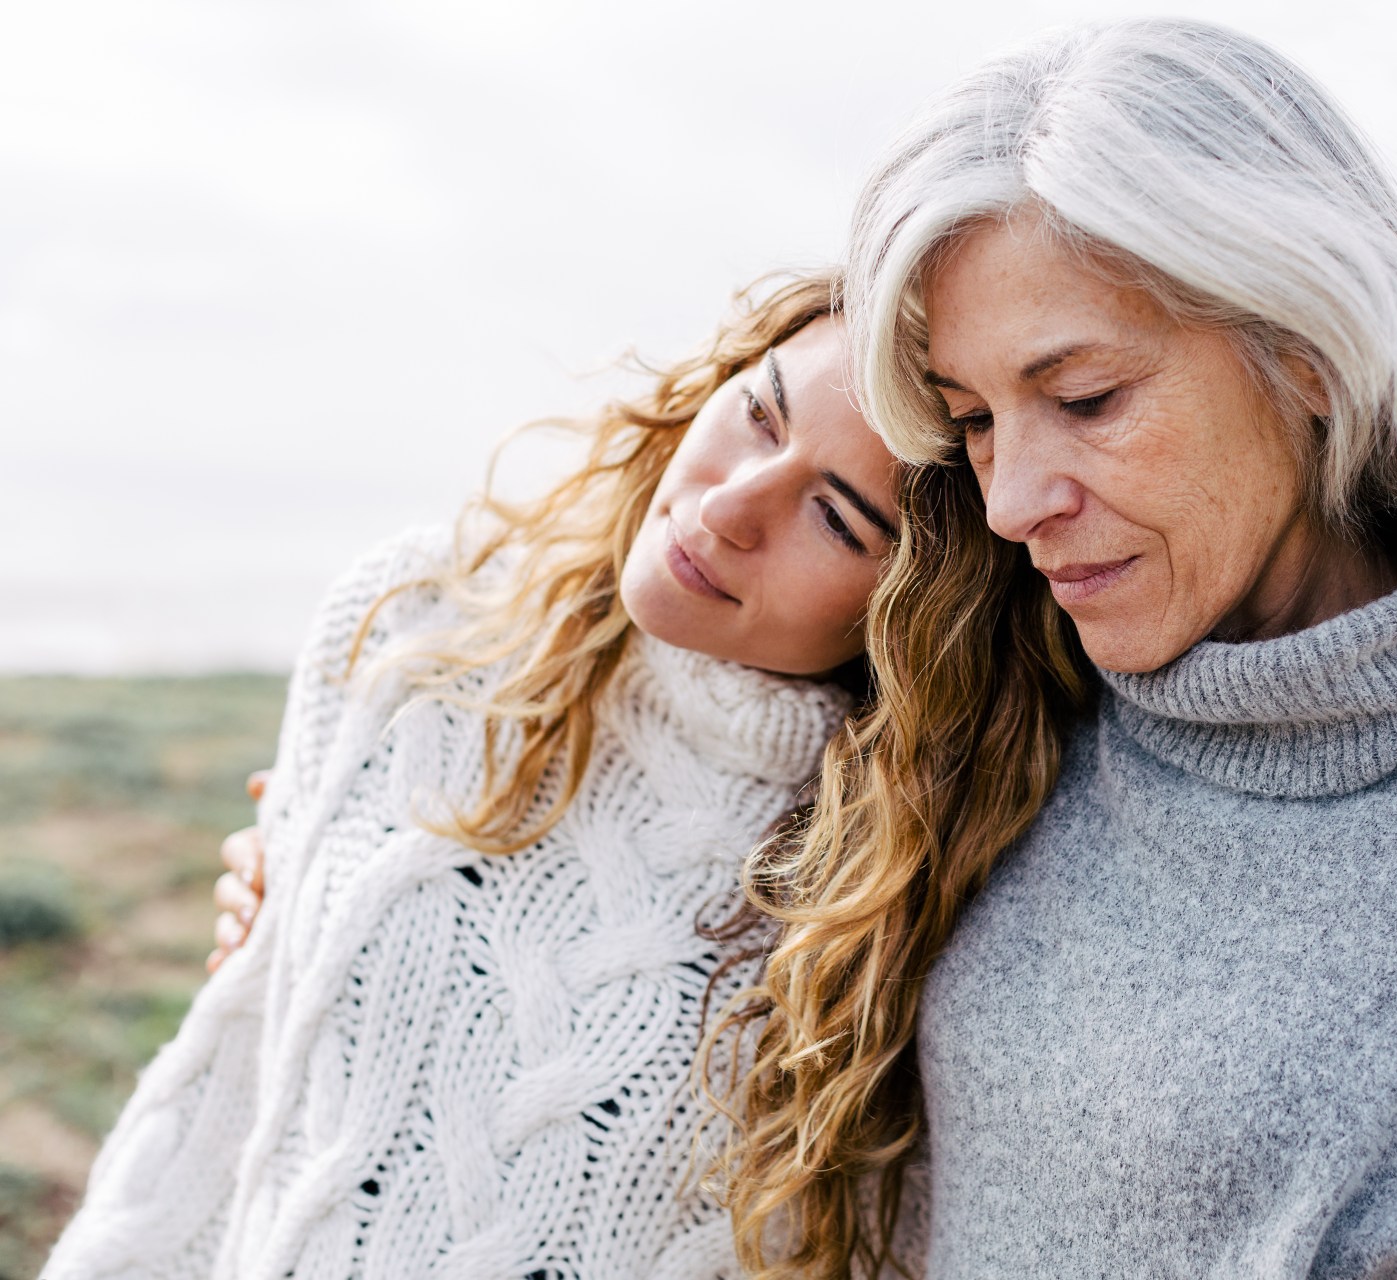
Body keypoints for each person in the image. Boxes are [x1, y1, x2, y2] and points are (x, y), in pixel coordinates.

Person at [722, 19, 1397, 1279]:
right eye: (973, 419)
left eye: (1085, 399)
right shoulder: (993, 711)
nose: (1012, 499)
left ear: (1307, 351)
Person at [45, 272, 910, 1279]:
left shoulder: (897, 871)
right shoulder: (418, 620)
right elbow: (245, 1075)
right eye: (760, 413)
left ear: (917, 603)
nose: (727, 507)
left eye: (837, 519)